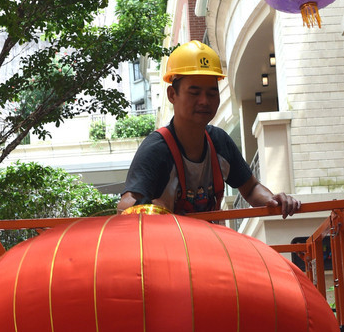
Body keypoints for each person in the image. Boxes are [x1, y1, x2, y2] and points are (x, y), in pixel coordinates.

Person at [117, 41, 301, 217]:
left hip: (209, 244)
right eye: (194, 93)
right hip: (168, 246)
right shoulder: (156, 149)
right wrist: (147, 210)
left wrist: (273, 200)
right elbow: (126, 204)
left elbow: (251, 188)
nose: (204, 101)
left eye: (212, 93)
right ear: (172, 95)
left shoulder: (219, 142)